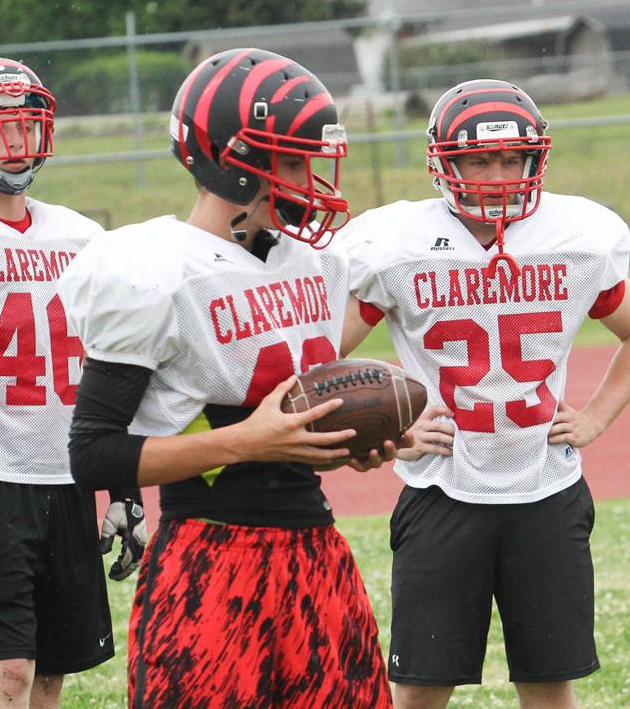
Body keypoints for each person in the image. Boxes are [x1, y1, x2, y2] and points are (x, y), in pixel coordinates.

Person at [61, 48, 404, 708]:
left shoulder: (314, 267)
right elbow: (92, 453)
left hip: (317, 553)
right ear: (234, 160)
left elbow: (295, 418)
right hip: (211, 559)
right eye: (295, 161)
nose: (315, 181)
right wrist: (248, 442)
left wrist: (354, 439)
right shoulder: (154, 270)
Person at [337, 79, 630, 709]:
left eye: (511, 158)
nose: (497, 175)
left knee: (548, 685)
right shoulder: (398, 247)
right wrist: (390, 430)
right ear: (444, 163)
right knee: (419, 689)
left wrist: (595, 418)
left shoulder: (575, 237)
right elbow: (324, 360)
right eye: (479, 160)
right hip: (441, 491)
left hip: (546, 490)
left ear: (535, 160)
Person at [0, 57, 113, 707]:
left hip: (66, 477)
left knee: (52, 672)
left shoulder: (84, 236)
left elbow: (115, 368)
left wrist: (125, 488)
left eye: (26, 128)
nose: (16, 145)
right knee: (6, 669)